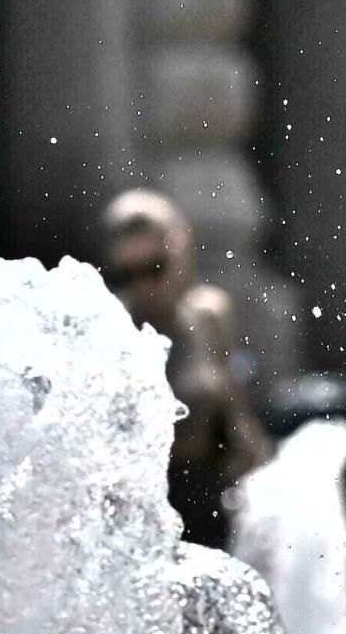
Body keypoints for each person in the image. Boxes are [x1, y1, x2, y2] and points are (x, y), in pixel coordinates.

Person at [103, 189, 272, 549]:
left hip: (213, 502)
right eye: (128, 273)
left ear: (180, 247)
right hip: (152, 518)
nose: (143, 284)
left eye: (154, 268)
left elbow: (236, 413)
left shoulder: (209, 314)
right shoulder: (112, 328)